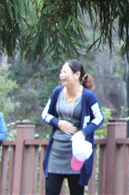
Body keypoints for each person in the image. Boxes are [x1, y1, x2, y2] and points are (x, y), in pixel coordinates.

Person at [41, 60, 104, 195]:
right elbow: (44, 114)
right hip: (56, 152)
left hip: (76, 153)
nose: (61, 75)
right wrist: (57, 122)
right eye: (61, 72)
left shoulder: (88, 96)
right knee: (50, 190)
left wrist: (83, 133)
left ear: (77, 74)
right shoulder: (57, 92)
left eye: (65, 72)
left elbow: (99, 118)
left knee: (76, 191)